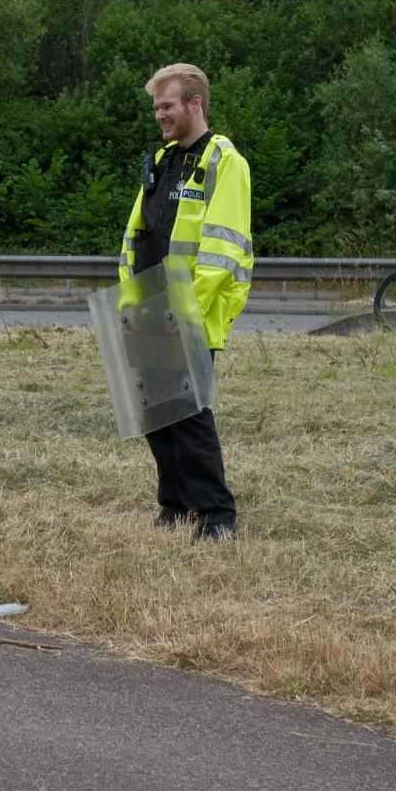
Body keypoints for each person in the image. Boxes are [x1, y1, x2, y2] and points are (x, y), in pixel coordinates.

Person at [118, 64, 254, 542]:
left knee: (191, 417)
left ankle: (217, 516)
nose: (160, 115)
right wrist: (131, 300)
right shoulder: (164, 160)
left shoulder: (223, 161)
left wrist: (184, 310)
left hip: (188, 313)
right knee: (158, 416)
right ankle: (174, 507)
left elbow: (223, 248)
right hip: (151, 307)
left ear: (195, 103)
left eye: (167, 105)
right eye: (156, 107)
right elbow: (139, 233)